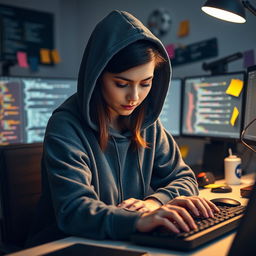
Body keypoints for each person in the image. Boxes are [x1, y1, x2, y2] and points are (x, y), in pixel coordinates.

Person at [27, 10, 219, 247]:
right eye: (121, 84)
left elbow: (184, 178)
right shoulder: (65, 125)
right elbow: (74, 210)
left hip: (122, 241)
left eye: (145, 83)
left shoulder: (147, 123)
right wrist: (136, 220)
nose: (134, 97)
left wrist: (154, 203)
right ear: (97, 76)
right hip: (66, 244)